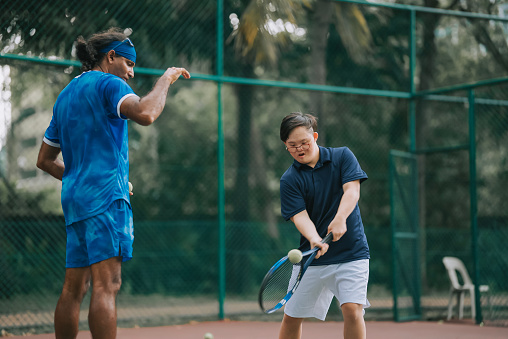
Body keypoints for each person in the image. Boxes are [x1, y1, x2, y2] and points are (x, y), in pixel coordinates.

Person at [36, 27, 190, 339]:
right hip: (105, 198)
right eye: (129, 64)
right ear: (111, 57)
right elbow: (146, 113)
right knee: (108, 286)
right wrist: (166, 79)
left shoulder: (65, 96)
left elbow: (44, 160)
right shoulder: (110, 84)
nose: (131, 73)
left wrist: (83, 178)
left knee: (73, 289)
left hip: (75, 198)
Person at [278, 112, 370, 339]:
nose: (300, 148)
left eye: (304, 142)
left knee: (352, 310)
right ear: (286, 146)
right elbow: (300, 217)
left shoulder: (342, 157)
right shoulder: (289, 179)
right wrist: (314, 238)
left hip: (352, 251)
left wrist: (340, 219)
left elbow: (352, 190)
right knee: (291, 316)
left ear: (315, 136)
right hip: (313, 256)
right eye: (293, 145)